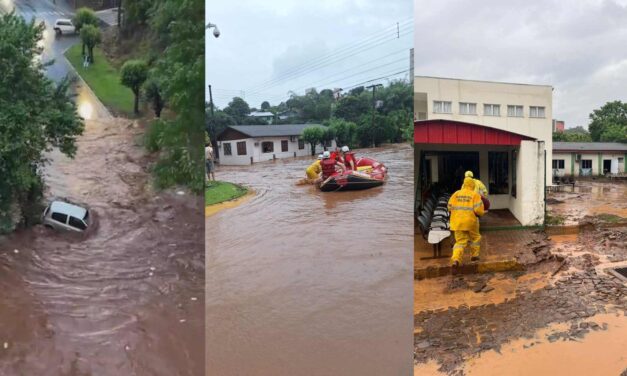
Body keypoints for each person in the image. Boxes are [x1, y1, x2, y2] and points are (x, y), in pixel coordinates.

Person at [448, 177, 485, 266]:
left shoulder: (456, 194)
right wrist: (482, 213)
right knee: (475, 238)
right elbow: (479, 210)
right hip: (471, 222)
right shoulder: (475, 195)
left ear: (464, 184)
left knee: (460, 242)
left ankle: (456, 259)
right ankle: (474, 256)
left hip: (457, 222)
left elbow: (449, 207)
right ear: (473, 185)